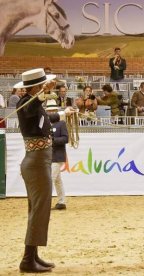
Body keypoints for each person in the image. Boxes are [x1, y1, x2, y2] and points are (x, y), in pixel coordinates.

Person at [13, 68, 61, 273]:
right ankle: (27, 260)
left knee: (37, 210)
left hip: (38, 160)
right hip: (37, 161)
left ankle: (32, 256)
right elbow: (32, 109)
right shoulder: (25, 103)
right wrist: (42, 93)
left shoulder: (32, 103)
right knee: (39, 210)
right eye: (41, 84)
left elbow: (42, 119)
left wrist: (62, 114)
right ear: (35, 86)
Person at [45, 99, 68, 210]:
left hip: (57, 155)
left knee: (50, 179)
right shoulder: (47, 124)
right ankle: (62, 201)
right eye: (49, 111)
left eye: (53, 111)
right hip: (50, 155)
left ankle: (45, 204)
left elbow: (65, 138)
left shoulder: (61, 124)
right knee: (57, 180)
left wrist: (53, 141)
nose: (51, 113)